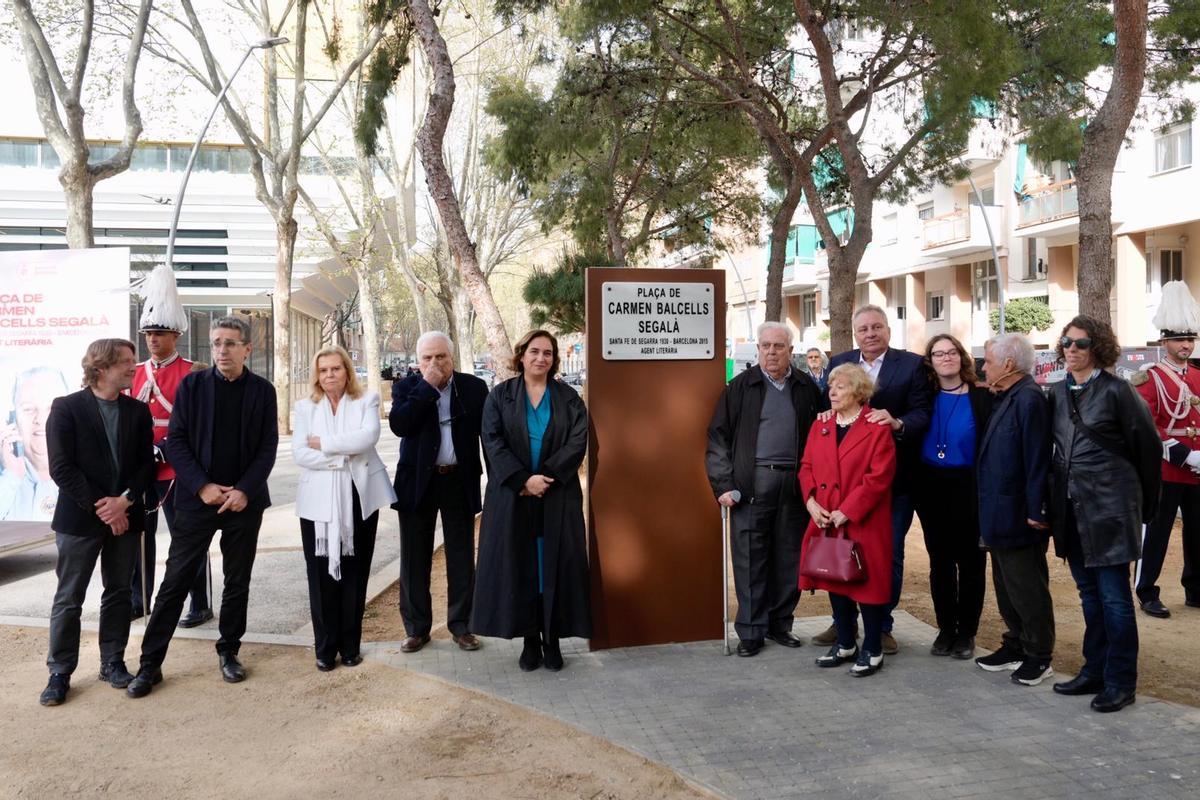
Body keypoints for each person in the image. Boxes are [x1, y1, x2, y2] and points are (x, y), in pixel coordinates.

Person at [126, 316, 278, 698]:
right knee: (175, 580)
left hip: (244, 502)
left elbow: (267, 447)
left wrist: (243, 490)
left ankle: (229, 652)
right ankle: (150, 664)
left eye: (230, 343)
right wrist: (203, 486)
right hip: (197, 499)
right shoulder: (193, 386)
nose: (222, 350)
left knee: (236, 581)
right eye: (216, 343)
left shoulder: (263, 391)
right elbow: (176, 441)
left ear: (247, 349)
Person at [1048, 315, 1160, 713]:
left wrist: (1144, 509)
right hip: (1071, 511)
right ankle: (1094, 669)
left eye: (1080, 343)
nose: (1072, 349)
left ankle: (1120, 681)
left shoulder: (1118, 392)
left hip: (1111, 511)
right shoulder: (1057, 394)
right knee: (1089, 598)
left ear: (1098, 348)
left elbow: (1147, 451)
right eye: (1066, 342)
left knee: (1114, 600)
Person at [39, 339, 154, 705]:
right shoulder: (66, 408)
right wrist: (103, 508)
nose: (134, 367)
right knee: (69, 598)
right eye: (126, 362)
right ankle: (59, 672)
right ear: (101, 367)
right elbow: (61, 467)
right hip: (79, 519)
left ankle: (112, 662)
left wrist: (125, 502)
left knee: (120, 593)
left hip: (126, 515)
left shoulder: (138, 411)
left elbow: (145, 465)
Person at [815, 305, 932, 654]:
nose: (870, 333)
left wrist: (897, 422)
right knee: (841, 552)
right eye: (863, 328)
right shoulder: (842, 362)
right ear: (855, 333)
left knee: (886, 555)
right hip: (842, 487)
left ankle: (881, 626)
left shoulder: (910, 365)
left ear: (888, 330)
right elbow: (830, 405)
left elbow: (924, 412)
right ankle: (844, 626)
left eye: (876, 327)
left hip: (891, 483)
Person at [472, 330, 590, 671]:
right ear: (521, 355)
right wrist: (523, 480)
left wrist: (545, 479)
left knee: (552, 567)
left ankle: (552, 640)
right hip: (514, 496)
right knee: (522, 567)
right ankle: (528, 639)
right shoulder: (500, 397)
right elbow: (492, 441)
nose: (541, 358)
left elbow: (577, 441)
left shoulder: (568, 399)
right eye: (535, 352)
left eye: (548, 353)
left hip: (557, 495)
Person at [706, 321, 824, 656]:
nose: (771, 352)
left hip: (795, 485)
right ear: (758, 349)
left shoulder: (805, 387)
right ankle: (752, 631)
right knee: (751, 560)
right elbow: (718, 439)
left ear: (791, 350)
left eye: (778, 346)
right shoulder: (740, 387)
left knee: (789, 557)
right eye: (765, 346)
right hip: (751, 484)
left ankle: (780, 623)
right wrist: (723, 484)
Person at [293, 346, 396, 670]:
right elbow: (300, 454)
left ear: (347, 371)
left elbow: (367, 438)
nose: (329, 376)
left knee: (355, 572)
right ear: (316, 375)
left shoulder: (366, 400)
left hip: (358, 494)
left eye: (335, 369)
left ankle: (350, 646)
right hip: (317, 502)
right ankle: (324, 648)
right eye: (323, 371)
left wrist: (323, 444)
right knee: (320, 575)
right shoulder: (304, 407)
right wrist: (342, 456)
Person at [389, 331, 489, 654]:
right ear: (418, 363)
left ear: (452, 357)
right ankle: (417, 629)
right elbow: (400, 425)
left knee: (461, 555)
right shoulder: (407, 387)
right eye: (427, 358)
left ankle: (462, 626)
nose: (434, 363)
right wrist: (426, 388)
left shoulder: (473, 388)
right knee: (414, 558)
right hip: (418, 481)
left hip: (458, 479)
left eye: (440, 357)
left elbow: (489, 436)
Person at [127, 263, 211, 625]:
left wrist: (169, 448)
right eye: (148, 334)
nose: (152, 340)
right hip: (142, 466)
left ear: (175, 334)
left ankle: (199, 601)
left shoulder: (193, 370)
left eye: (159, 333)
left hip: (177, 467)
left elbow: (198, 424)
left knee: (187, 538)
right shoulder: (136, 371)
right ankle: (138, 597)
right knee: (138, 538)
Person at [800, 364, 897, 677]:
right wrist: (811, 502)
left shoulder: (876, 426)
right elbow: (806, 468)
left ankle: (872, 647)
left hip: (862, 521)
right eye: (831, 387)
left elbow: (879, 477)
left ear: (858, 391)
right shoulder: (821, 425)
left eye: (840, 387)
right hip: (826, 518)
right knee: (834, 579)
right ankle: (844, 642)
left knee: (866, 585)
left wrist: (849, 510)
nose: (832, 392)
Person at [974, 333, 1057, 686]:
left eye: (988, 361)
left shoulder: (1029, 399)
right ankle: (1016, 643)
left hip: (1020, 514)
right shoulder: (1007, 396)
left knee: (1027, 587)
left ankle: (1039, 654)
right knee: (1007, 585)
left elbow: (1038, 459)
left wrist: (1036, 510)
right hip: (998, 511)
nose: (983, 367)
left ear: (1008, 364)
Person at [913, 334, 992, 660]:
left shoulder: (982, 397)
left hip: (969, 485)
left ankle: (966, 633)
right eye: (937, 353)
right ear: (930, 361)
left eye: (951, 352)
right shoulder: (924, 397)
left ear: (961, 357)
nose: (945, 358)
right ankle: (946, 629)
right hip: (932, 486)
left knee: (972, 562)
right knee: (940, 562)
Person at [1130, 281, 1200, 617]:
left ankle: (1195, 588)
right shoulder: (1150, 377)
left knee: (1199, 534)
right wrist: (1186, 455)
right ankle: (1147, 591)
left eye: (1190, 339)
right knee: (1156, 534)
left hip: (1199, 470)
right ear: (1164, 341)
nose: (1186, 345)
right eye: (1179, 339)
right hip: (1167, 469)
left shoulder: (1199, 378)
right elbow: (1147, 427)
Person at [0, 366, 70, 521]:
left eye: (51, 408)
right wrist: (11, 477)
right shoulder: (6, 478)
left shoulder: (88, 466)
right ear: (13, 419)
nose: (40, 419)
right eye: (29, 409)